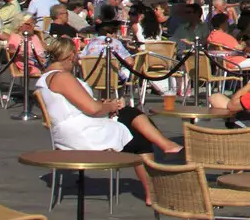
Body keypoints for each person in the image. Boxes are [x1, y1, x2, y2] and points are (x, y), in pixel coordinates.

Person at [38, 34, 181, 153]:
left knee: (131, 116)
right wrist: (111, 107)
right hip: (82, 134)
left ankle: (166, 146)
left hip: (72, 129)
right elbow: (93, 109)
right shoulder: (62, 77)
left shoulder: (46, 77)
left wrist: (105, 106)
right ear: (71, 55)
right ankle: (164, 152)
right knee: (138, 133)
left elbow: (75, 105)